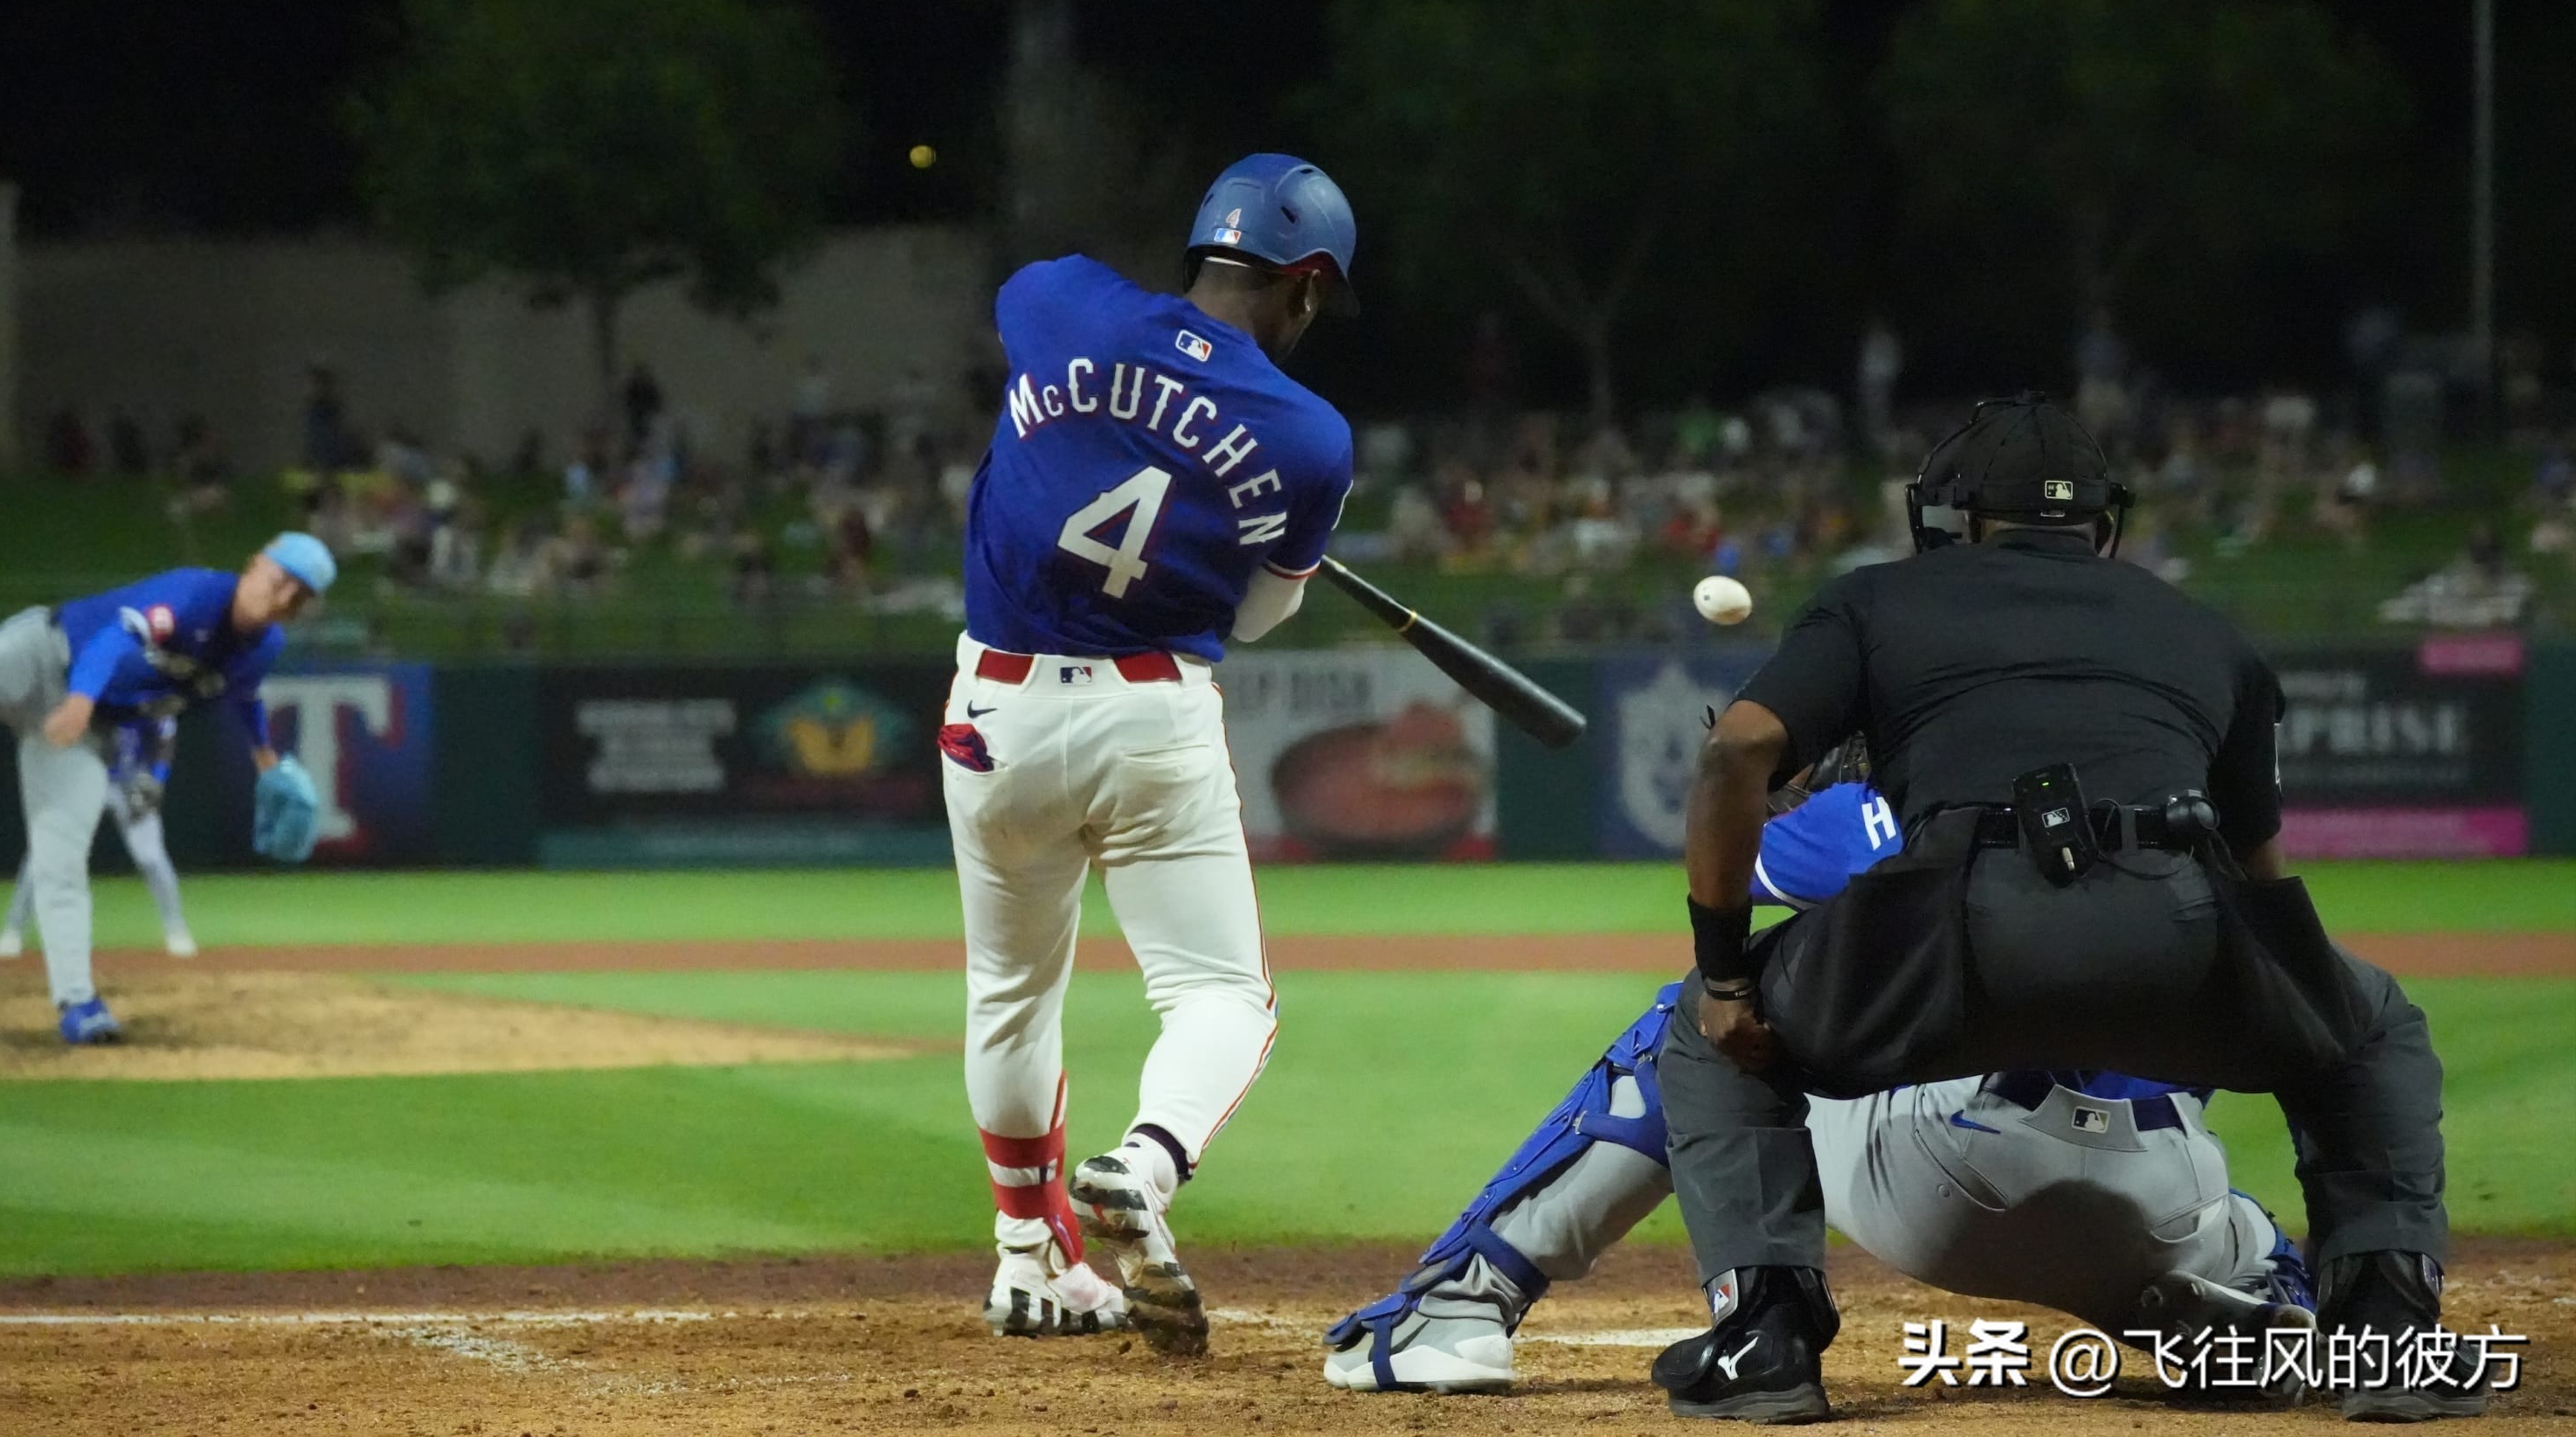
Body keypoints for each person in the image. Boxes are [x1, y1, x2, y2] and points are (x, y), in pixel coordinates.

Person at [1652, 396, 2476, 1423]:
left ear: (1951, 518)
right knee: (2374, 1025)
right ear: (2101, 521)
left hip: (1948, 938)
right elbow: (2266, 887)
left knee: (1705, 1029)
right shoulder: (2201, 628)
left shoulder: (1874, 602)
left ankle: (1766, 1338)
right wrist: (2277, 1017)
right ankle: (2390, 1338)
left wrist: (1730, 975)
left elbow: (1736, 752)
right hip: (2169, 924)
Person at [1324, 754, 2315, 1397]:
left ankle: (1458, 1306)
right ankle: (2284, 1314)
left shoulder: (1899, 801)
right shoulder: (2186, 816)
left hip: (1948, 1178)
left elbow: (1733, 859)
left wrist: (1782, 784)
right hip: (2165, 1192)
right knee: (2254, 1236)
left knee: (1711, 1010)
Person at [947, 153, 1358, 1352]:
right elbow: (1255, 617)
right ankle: (1149, 1159)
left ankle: (1029, 1260)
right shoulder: (1311, 439)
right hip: (1151, 713)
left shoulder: (1057, 299)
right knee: (1223, 998)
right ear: (1309, 285)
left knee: (1013, 994)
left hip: (996, 707)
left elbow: (1064, 347)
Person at [0, 535, 336, 1042]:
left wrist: (264, 756)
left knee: (61, 860)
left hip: (84, 731)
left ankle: (79, 1006)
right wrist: (80, 698)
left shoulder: (264, 647)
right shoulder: (196, 596)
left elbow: (244, 695)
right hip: (36, 657)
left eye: (297, 598)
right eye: (280, 582)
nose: (281, 600)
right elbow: (114, 639)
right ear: (254, 564)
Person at [0, 716, 198, 960]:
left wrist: (158, 780)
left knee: (152, 858)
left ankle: (176, 930)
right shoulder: (85, 688)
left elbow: (165, 736)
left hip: (131, 784)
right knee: (45, 854)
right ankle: (13, 929)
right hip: (82, 778)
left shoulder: (144, 689)